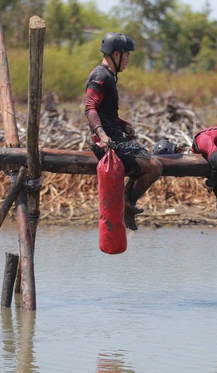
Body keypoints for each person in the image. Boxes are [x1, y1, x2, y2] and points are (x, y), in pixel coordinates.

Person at [85, 32, 162, 231]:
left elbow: (106, 113)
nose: (128, 59)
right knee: (154, 166)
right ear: (116, 54)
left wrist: (123, 124)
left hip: (115, 137)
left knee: (148, 164)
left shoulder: (109, 76)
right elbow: (90, 108)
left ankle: (126, 200)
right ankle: (126, 201)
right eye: (127, 55)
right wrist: (102, 136)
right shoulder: (101, 76)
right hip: (107, 142)